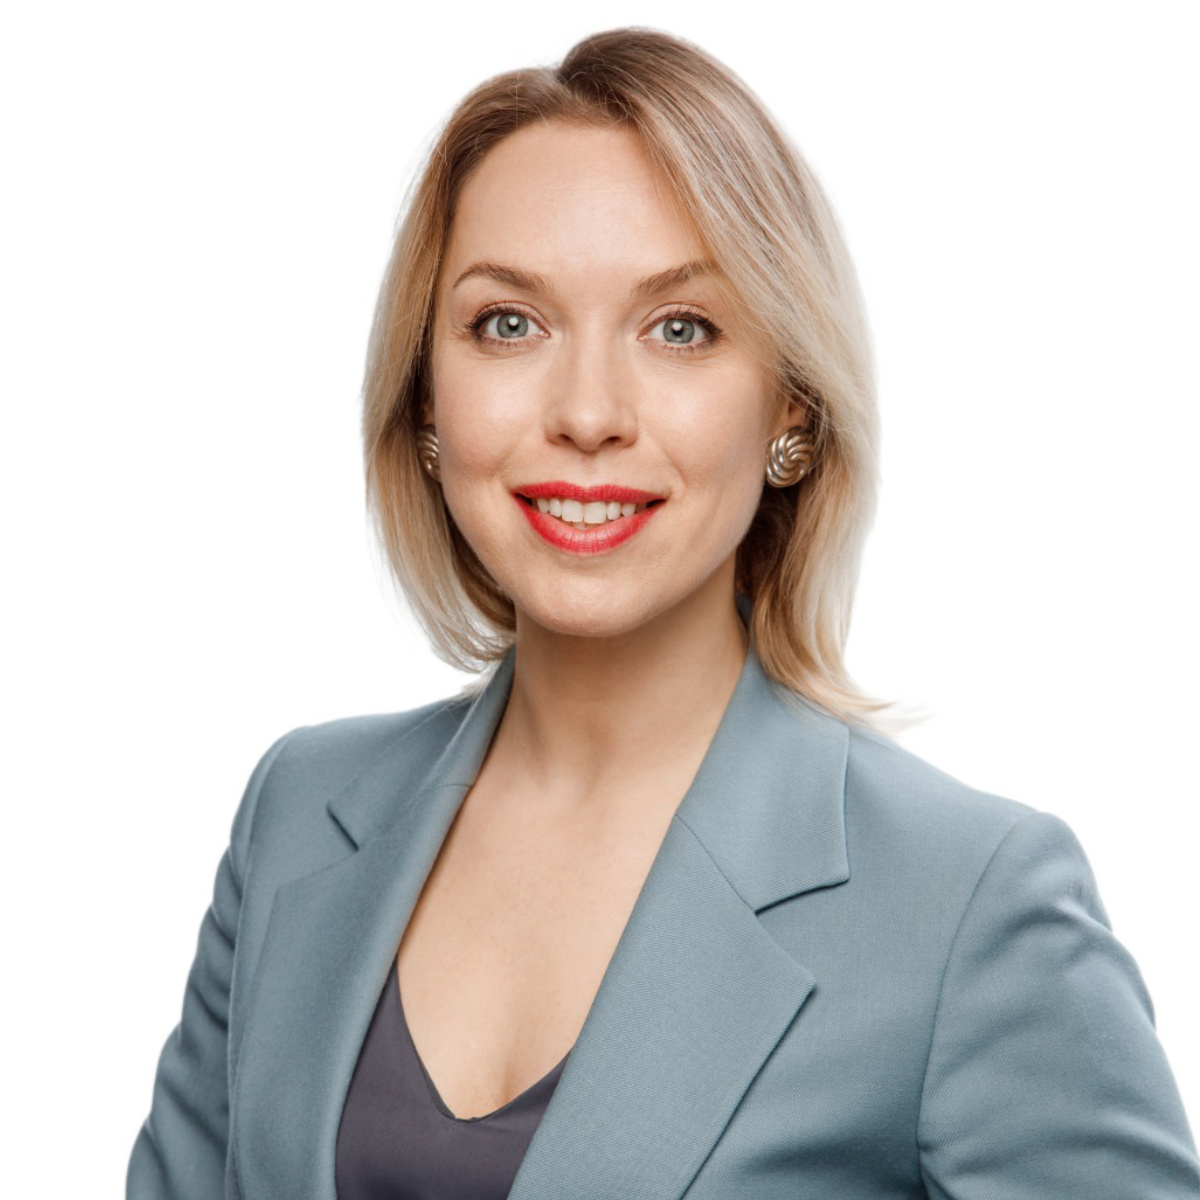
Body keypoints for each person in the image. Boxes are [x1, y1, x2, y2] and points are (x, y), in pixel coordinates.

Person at [127, 26, 1199, 1200]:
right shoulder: (297, 813)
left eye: (680, 328)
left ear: (791, 409)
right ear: (428, 397)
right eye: (509, 323)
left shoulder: (966, 905)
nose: (588, 413)